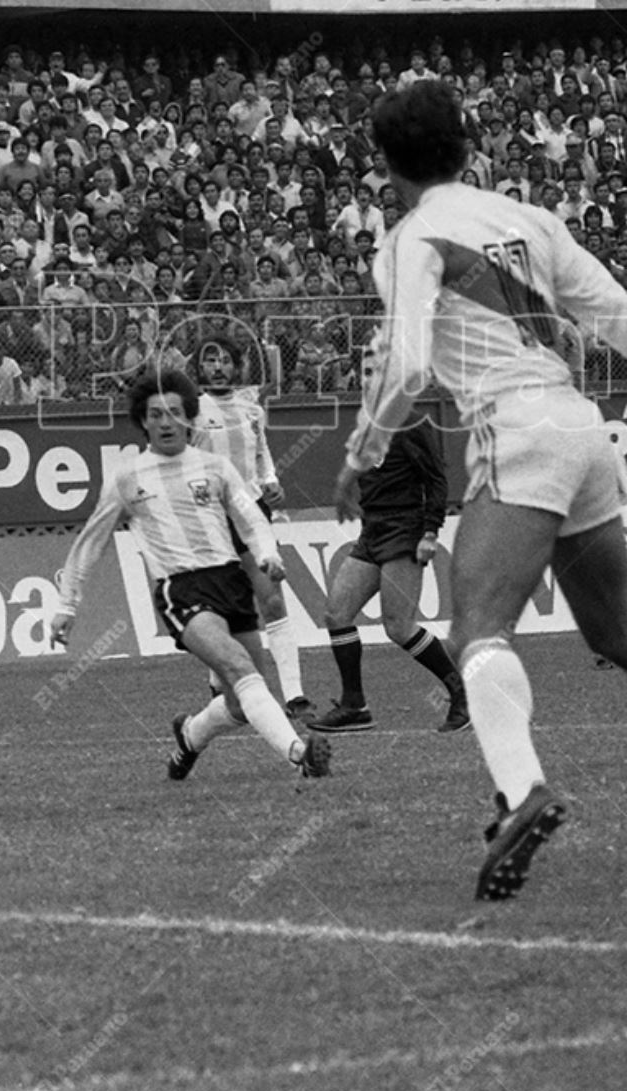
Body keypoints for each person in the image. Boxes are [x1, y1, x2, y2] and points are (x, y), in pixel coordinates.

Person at [336, 82, 627, 901]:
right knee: (616, 628)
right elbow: (619, 315)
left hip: (515, 430)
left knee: (477, 627)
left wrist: (366, 445)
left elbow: (409, 365)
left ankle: (521, 793)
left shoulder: (413, 238)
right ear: (464, 145)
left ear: (387, 164)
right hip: (584, 432)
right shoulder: (530, 219)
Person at [51, 369, 332, 783]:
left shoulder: (215, 467)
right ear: (142, 421)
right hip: (181, 589)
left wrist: (267, 554)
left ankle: (189, 735)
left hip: (230, 582)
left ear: (189, 419)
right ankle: (298, 754)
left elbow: (250, 517)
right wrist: (66, 605)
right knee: (238, 666)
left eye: (174, 413)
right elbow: (90, 542)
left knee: (240, 703)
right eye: (155, 414)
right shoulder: (128, 477)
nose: (165, 422)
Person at [307, 335, 466, 736]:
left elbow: (437, 480)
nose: (367, 378)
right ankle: (354, 705)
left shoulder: (409, 421)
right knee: (336, 614)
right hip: (372, 531)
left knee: (398, 627)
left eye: (375, 371)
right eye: (362, 371)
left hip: (405, 531)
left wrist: (430, 531)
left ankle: (462, 695)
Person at [190, 335, 310, 717]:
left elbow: (262, 453)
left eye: (226, 360)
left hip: (251, 511)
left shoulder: (251, 406)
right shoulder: (190, 409)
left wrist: (271, 481)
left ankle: (294, 696)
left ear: (237, 366)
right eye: (211, 360)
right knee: (221, 606)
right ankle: (217, 687)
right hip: (210, 515)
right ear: (200, 368)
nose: (219, 366)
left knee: (271, 598)